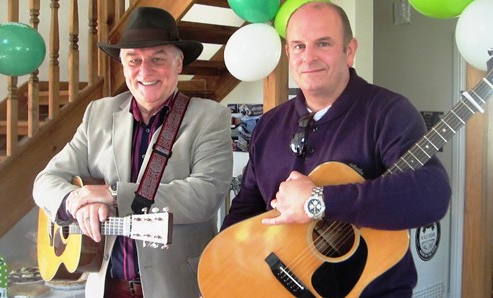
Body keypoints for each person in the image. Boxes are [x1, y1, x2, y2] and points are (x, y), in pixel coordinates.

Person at [221, 2, 451, 297]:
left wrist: (318, 201)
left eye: (324, 43)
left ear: (350, 50)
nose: (309, 57)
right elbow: (246, 208)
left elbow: (430, 195)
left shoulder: (389, 112)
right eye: (299, 46)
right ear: (289, 53)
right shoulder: (269, 124)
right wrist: (224, 272)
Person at [33, 7, 233, 298]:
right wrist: (76, 201)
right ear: (123, 67)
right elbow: (46, 180)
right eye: (134, 60)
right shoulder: (98, 114)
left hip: (174, 286)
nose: (145, 71)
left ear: (178, 64)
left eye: (157, 59)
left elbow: (205, 194)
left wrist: (113, 195)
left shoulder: (209, 117)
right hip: (105, 286)